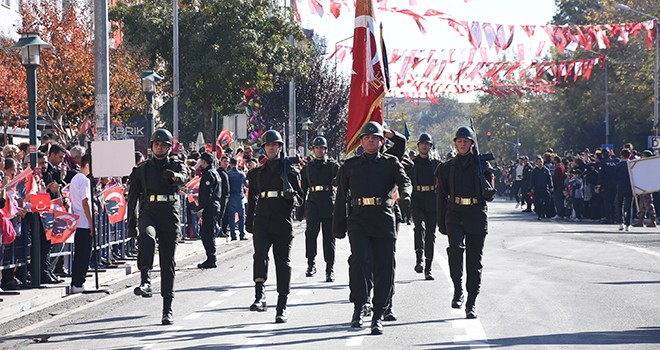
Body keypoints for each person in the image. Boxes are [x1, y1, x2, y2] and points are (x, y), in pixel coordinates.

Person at [333, 121, 412, 335]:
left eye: (375, 137)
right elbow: (341, 197)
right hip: (358, 219)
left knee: (384, 267)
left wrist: (405, 195)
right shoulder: (349, 166)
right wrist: (338, 226)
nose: (370, 140)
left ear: (381, 141)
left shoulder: (391, 162)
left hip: (383, 219)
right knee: (360, 260)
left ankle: (378, 314)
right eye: (367, 137)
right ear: (361, 141)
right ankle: (359, 307)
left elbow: (405, 182)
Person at [127, 129, 189, 325]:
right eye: (156, 144)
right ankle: (145, 279)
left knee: (167, 262)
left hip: (169, 213)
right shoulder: (141, 169)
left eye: (163, 145)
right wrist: (131, 223)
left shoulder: (175, 164)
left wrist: (176, 177)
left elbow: (185, 175)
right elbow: (132, 198)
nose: (160, 147)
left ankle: (167, 308)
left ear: (170, 147)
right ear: (151, 146)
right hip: (149, 211)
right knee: (146, 236)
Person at [436, 126, 494, 319]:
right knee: (455, 248)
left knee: (474, 261)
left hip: (476, 212)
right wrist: (441, 221)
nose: (462, 144)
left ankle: (471, 302)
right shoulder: (446, 168)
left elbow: (490, 194)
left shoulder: (482, 165)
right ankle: (458, 289)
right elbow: (441, 196)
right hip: (455, 212)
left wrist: (486, 187)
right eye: (459, 141)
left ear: (471, 144)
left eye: (466, 141)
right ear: (455, 143)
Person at [246, 130, 303, 324]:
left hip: (282, 220)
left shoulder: (290, 172)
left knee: (282, 263)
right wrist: (249, 221)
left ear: (280, 148)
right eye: (268, 145)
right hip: (262, 219)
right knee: (259, 255)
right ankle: (260, 296)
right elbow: (252, 199)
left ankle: (282, 306)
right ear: (263, 149)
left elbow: (301, 200)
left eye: (275, 145)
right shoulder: (256, 173)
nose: (271, 148)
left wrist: (292, 197)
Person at [301, 136, 339, 282]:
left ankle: (330, 268)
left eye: (322, 148)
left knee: (329, 237)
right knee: (311, 234)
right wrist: (300, 209)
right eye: (317, 148)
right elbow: (303, 188)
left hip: (328, 201)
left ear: (326, 150)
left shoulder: (332, 166)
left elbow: (340, 184)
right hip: (313, 202)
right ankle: (311, 264)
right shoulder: (308, 167)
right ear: (313, 149)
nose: (319, 150)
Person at [409, 133, 440, 280]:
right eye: (422, 143)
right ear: (418, 146)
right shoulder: (413, 164)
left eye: (427, 144)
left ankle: (428, 268)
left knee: (431, 235)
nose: (424, 146)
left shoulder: (436, 164)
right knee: (419, 227)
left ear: (430, 146)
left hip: (432, 200)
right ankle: (419, 259)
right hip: (417, 199)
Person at [69, 154, 93, 293]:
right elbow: (85, 202)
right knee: (83, 255)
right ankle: (78, 282)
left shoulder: (75, 178)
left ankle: (77, 282)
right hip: (83, 222)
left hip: (78, 221)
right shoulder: (84, 180)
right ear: (88, 165)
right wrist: (91, 223)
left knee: (80, 254)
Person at [196, 152, 224, 269]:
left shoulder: (209, 174)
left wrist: (201, 208)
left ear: (204, 161)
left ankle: (211, 258)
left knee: (207, 234)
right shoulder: (215, 173)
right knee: (207, 233)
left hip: (209, 207)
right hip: (214, 206)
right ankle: (210, 257)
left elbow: (207, 193)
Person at [227, 158, 247, 240]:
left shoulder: (228, 174)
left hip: (231, 197)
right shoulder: (241, 174)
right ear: (237, 163)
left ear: (230, 164)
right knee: (242, 217)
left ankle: (233, 235)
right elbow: (246, 184)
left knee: (231, 218)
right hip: (240, 197)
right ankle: (242, 234)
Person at [614, 149, 633, 231]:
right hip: (630, 187)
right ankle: (628, 224)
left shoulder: (618, 165)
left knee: (619, 205)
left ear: (621, 155)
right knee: (629, 206)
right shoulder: (632, 165)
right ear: (630, 155)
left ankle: (620, 223)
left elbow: (615, 177)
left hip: (620, 186)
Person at [531, 156, 553, 220]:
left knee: (546, 201)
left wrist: (551, 186)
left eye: (541, 162)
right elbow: (532, 180)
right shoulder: (535, 171)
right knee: (538, 202)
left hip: (544, 188)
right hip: (537, 188)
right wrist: (532, 187)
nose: (540, 163)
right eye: (538, 162)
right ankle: (539, 214)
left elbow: (549, 179)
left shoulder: (546, 170)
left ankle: (544, 213)